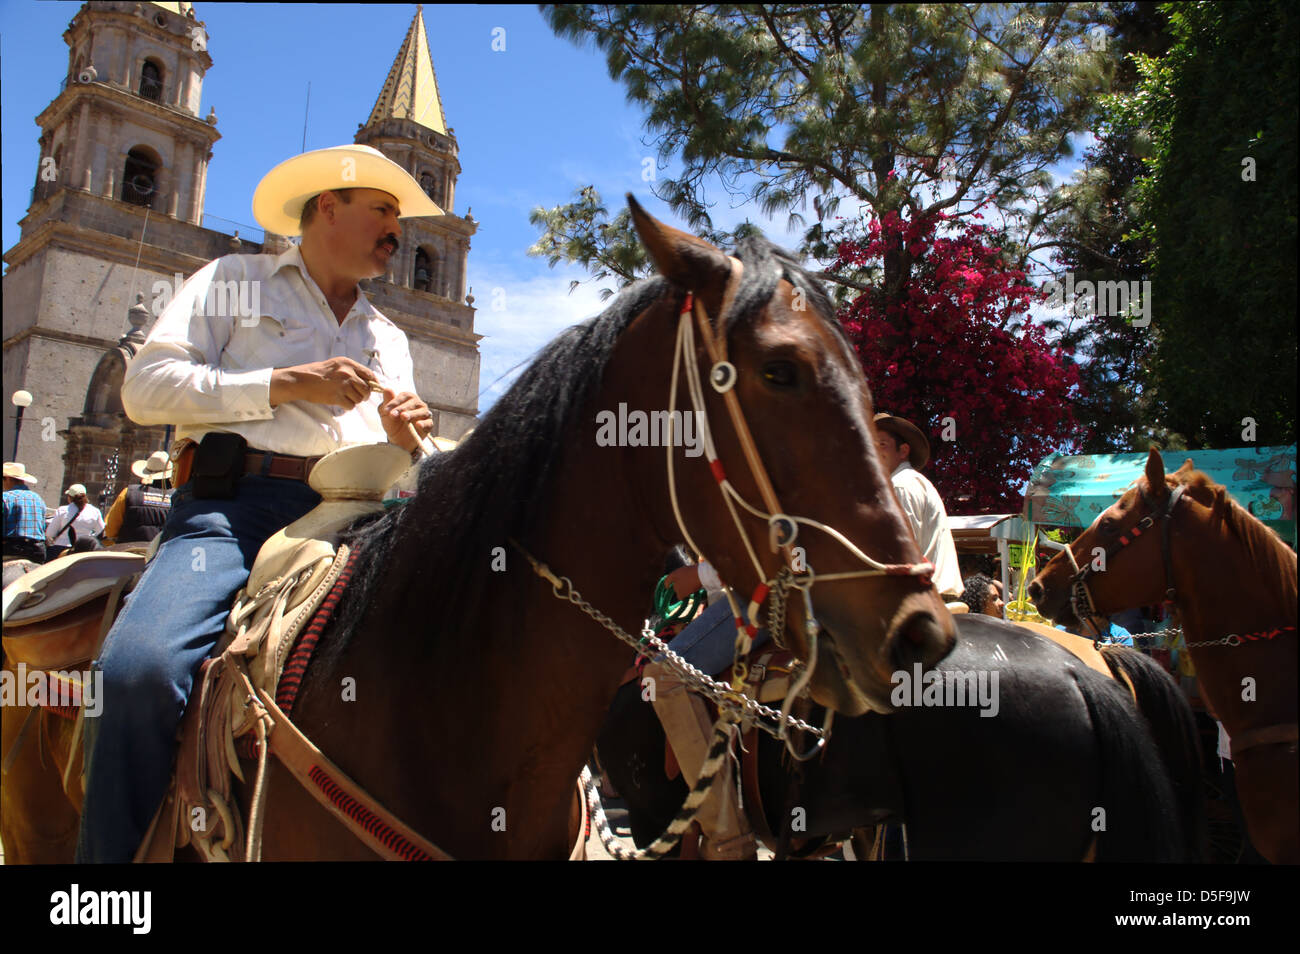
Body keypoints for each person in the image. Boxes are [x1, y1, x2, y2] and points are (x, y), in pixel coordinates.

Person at [76, 143, 440, 864]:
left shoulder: (389, 337)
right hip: (232, 512)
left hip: (360, 519)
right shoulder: (232, 282)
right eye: (384, 211)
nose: (397, 231)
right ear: (327, 208)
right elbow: (143, 390)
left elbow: (402, 449)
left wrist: (408, 440)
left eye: (400, 218)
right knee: (139, 672)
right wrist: (281, 383)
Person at [871, 413, 963, 599]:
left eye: (882, 444)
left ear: (903, 451)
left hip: (925, 598)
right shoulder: (913, 482)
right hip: (937, 595)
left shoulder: (900, 485)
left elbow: (903, 555)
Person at [102, 451, 175, 545]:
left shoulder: (128, 493)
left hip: (130, 552)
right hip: (160, 555)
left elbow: (110, 529)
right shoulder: (177, 497)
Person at [45, 483, 105, 561]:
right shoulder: (95, 511)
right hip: (83, 551)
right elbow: (101, 532)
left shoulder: (62, 510)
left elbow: (50, 533)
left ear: (70, 498)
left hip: (60, 550)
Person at [2, 461, 47, 564]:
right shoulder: (38, 499)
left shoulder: (5, 498)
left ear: (8, 479)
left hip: (12, 549)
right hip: (38, 551)